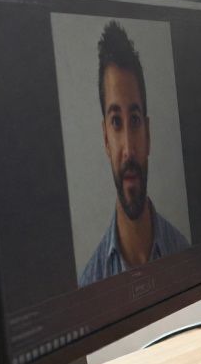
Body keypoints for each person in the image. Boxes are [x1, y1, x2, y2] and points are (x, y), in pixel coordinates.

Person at [79, 21, 190, 286]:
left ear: (148, 134)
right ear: (106, 138)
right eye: (116, 122)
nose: (128, 148)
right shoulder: (89, 282)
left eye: (136, 120)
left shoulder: (186, 256)